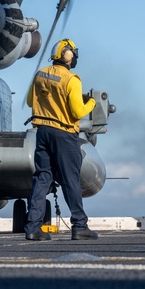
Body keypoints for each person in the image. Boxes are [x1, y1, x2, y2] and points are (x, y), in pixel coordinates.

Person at [24, 38, 98, 241]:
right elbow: (77, 112)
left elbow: (31, 100)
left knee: (42, 178)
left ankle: (32, 227)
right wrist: (91, 102)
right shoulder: (72, 79)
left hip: (42, 133)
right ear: (66, 55)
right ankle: (79, 226)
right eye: (72, 53)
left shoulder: (40, 74)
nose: (73, 56)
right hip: (64, 134)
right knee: (70, 179)